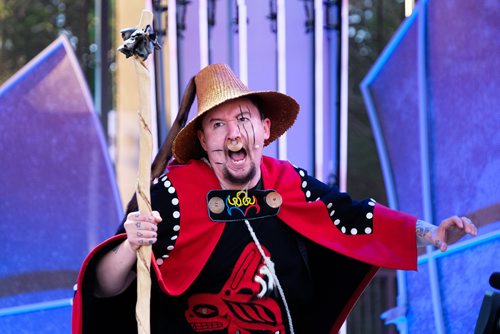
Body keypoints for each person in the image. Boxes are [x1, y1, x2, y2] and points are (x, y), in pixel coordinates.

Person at [72, 63, 477, 334]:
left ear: (264, 129)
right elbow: (106, 289)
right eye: (217, 124)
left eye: (242, 118)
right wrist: (131, 244)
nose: (233, 133)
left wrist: (431, 232)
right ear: (202, 139)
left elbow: (352, 218)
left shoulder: (289, 183)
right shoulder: (167, 194)